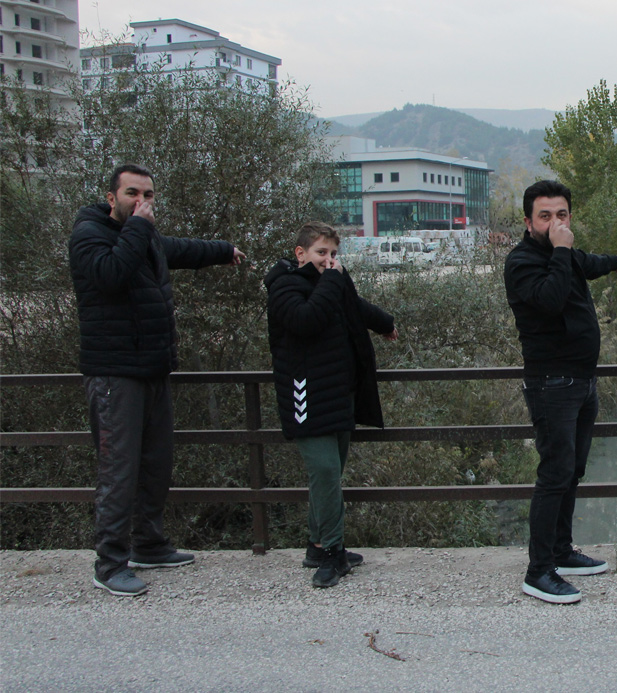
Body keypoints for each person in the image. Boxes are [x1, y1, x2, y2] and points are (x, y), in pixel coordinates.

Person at [69, 163, 246, 597]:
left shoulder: (141, 237)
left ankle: (148, 544)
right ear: (112, 198)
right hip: (114, 374)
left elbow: (179, 249)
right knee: (119, 471)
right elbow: (112, 274)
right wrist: (138, 229)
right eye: (133, 193)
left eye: (148, 195)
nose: (142, 202)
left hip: (151, 369)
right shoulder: (89, 236)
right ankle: (110, 564)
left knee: (155, 465)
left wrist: (223, 250)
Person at [503, 180, 617, 604]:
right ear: (528, 221)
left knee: (572, 470)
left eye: (561, 215)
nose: (555, 223)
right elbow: (552, 299)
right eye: (545, 216)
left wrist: (616, 261)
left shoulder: (568, 257)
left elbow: (587, 263)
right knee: (554, 474)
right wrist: (560, 249)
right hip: (551, 385)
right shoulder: (522, 262)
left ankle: (560, 551)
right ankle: (538, 571)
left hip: (582, 381)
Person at [264, 221, 396, 588]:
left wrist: (384, 323)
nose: (329, 260)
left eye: (333, 254)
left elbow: (352, 307)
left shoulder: (331, 281)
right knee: (323, 472)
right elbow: (306, 320)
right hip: (305, 395)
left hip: (338, 392)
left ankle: (317, 544)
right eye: (321, 253)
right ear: (300, 253)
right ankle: (334, 554)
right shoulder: (284, 286)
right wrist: (333, 279)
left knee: (330, 473)